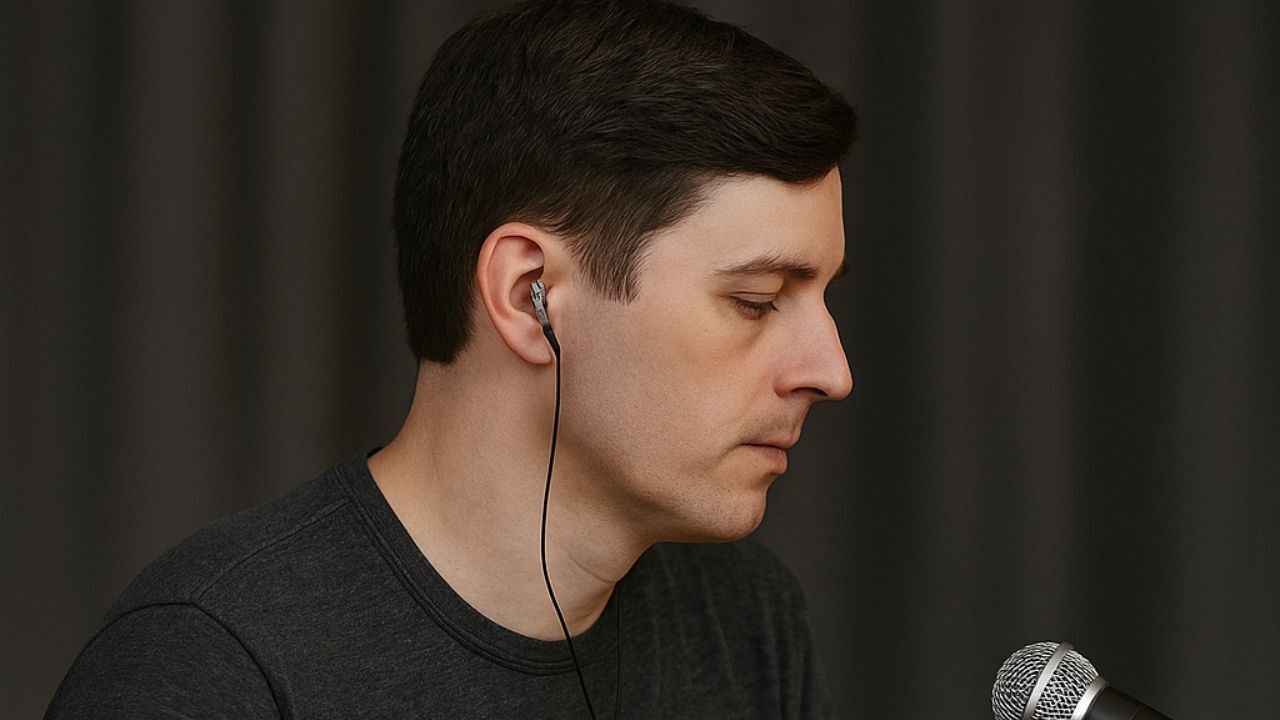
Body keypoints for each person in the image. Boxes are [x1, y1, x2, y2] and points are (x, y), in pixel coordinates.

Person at [46, 0, 856, 717]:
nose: (831, 370)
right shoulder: (212, 666)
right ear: (528, 294)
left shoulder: (747, 622)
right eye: (756, 300)